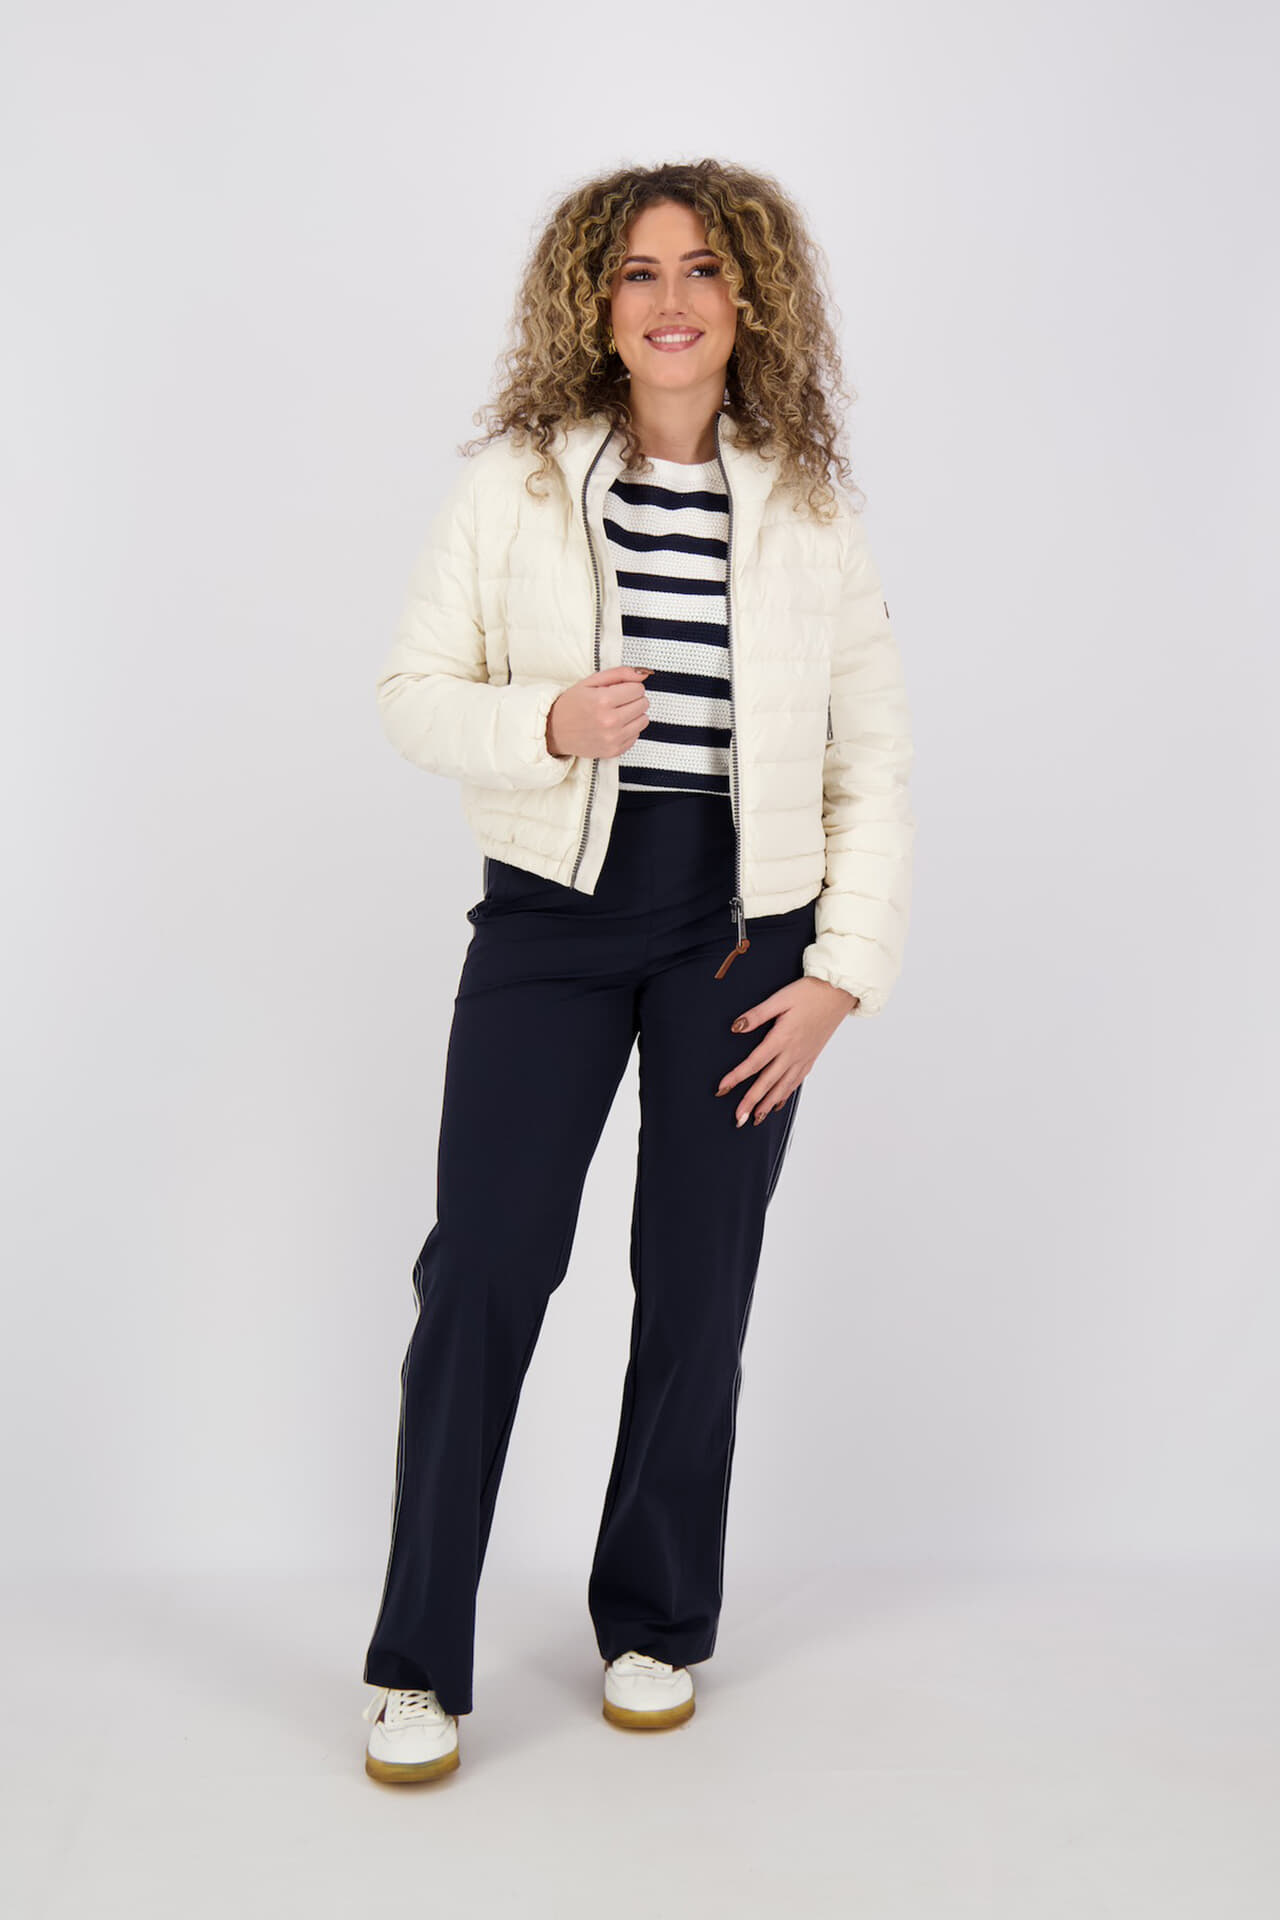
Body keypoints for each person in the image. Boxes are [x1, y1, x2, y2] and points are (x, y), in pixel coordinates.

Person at [360, 158, 915, 1785]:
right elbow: (411, 693)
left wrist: (843, 973)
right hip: (549, 917)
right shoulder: (519, 488)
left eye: (703, 271)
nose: (672, 301)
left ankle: (656, 1622)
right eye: (638, 274)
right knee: (485, 1266)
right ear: (595, 308)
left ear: (749, 301)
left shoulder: (809, 510)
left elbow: (871, 761)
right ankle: (416, 1659)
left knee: (698, 1279)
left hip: (743, 931)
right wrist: (543, 719)